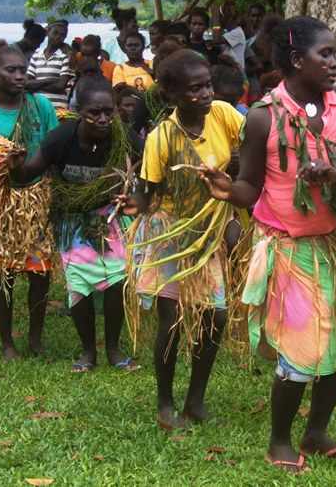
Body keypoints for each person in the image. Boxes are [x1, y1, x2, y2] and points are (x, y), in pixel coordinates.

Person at [200, 16, 336, 473]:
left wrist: (334, 174)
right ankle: (280, 440)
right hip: (290, 249)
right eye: (325, 54)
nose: (334, 63)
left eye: (333, 54)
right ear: (297, 60)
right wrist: (229, 190)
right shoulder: (263, 117)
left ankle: (317, 431)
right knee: (302, 350)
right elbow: (251, 187)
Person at [119, 49, 244, 431]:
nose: (205, 94)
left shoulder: (224, 115)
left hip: (211, 229)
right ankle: (164, 403)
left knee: (215, 317)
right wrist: (132, 203)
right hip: (171, 231)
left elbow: (252, 144)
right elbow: (147, 192)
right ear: (171, 93)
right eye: (195, 89)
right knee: (171, 321)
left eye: (207, 85)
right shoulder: (161, 138)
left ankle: (196, 400)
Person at [7, 77, 141, 372]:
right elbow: (27, 173)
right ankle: (88, 352)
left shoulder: (125, 138)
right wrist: (15, 167)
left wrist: (134, 195)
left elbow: (147, 173)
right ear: (79, 110)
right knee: (79, 286)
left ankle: (114, 349)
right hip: (72, 221)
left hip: (111, 218)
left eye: (109, 111)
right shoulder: (60, 139)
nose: (103, 119)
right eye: (95, 112)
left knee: (117, 282)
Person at [0, 43, 59, 360]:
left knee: (39, 273)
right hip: (0, 202)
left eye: (23, 69)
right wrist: (1, 164)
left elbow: (53, 149)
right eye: (12, 70)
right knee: (2, 273)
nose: (21, 76)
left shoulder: (41, 106)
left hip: (36, 199)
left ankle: (35, 337)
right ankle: (8, 343)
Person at [26, 20, 74, 111]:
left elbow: (60, 86)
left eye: (62, 35)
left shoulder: (65, 56)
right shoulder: (36, 55)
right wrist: (50, 80)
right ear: (48, 32)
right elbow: (27, 83)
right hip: (37, 107)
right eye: (55, 33)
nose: (58, 37)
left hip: (57, 110)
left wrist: (36, 85)